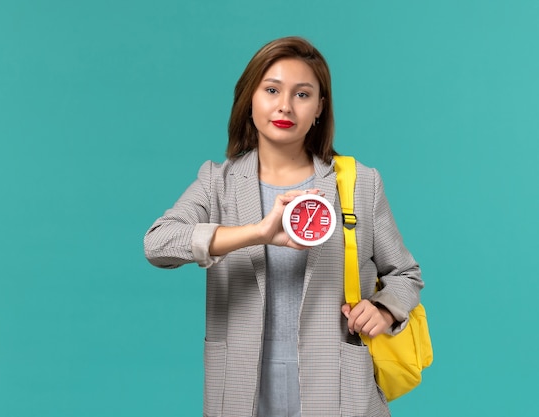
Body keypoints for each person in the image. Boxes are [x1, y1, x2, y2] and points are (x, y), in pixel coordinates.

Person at [144, 36, 423, 417]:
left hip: (340, 391)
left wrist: (385, 310)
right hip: (240, 392)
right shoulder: (217, 183)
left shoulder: (360, 184)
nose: (285, 106)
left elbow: (405, 274)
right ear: (250, 99)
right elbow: (158, 244)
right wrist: (257, 233)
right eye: (272, 89)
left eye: (302, 94)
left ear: (320, 108)